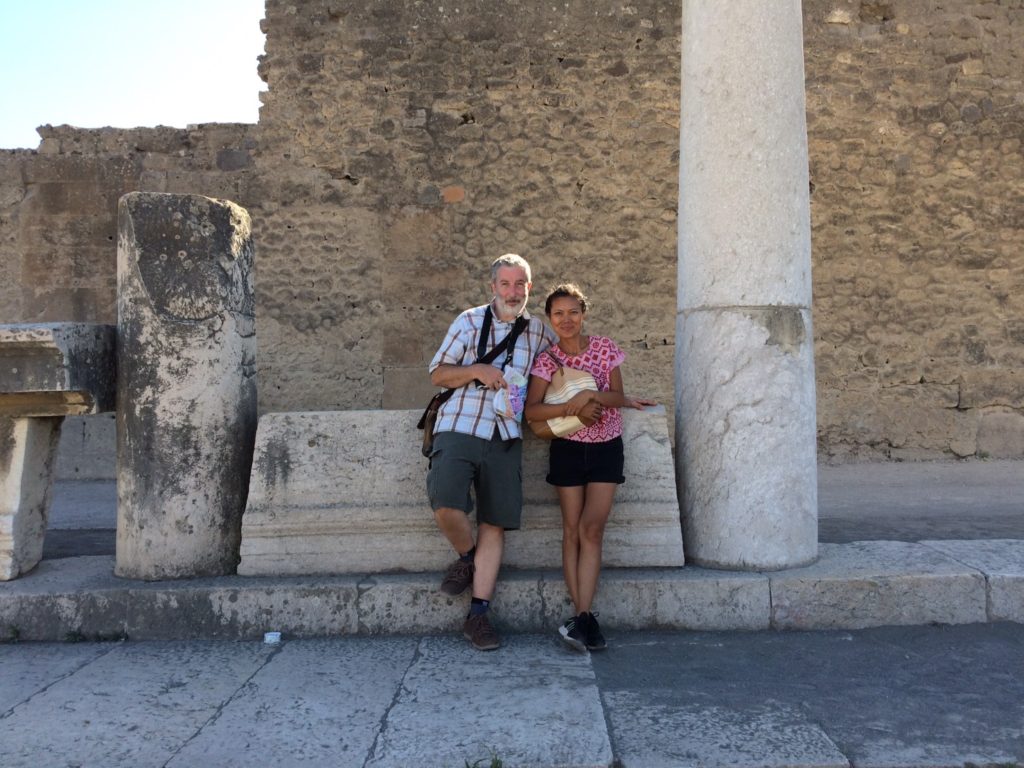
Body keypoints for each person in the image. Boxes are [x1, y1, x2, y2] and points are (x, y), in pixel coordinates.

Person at [427, 253, 558, 651]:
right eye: (506, 284)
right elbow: (437, 373)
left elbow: (565, 362)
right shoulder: (468, 321)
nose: (513, 292)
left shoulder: (538, 331)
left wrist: (611, 392)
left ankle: (479, 616)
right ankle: (468, 556)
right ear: (493, 287)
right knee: (445, 500)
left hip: (504, 434)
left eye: (520, 285)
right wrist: (476, 371)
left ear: (529, 288)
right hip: (460, 424)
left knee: (495, 523)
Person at [524, 283, 654, 652]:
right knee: (571, 531)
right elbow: (532, 410)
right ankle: (584, 617)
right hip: (566, 448)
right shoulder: (547, 360)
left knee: (592, 529)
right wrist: (573, 408)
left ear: (583, 313)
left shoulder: (604, 348)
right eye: (558, 314)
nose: (567, 320)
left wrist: (588, 395)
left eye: (573, 312)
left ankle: (581, 617)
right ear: (550, 319)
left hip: (606, 447)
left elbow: (617, 396)